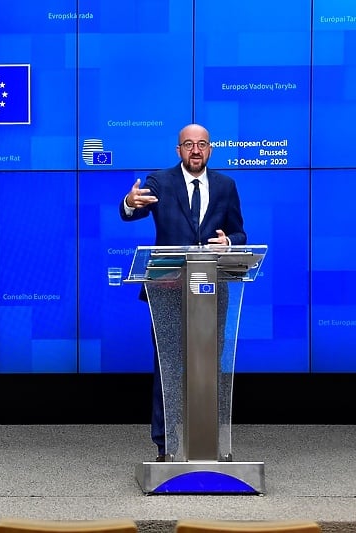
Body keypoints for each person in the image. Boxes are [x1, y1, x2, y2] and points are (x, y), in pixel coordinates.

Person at [119, 123, 246, 461]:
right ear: (178, 150)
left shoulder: (225, 186)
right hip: (168, 291)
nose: (195, 150)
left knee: (208, 366)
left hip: (211, 290)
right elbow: (133, 210)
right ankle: (167, 446)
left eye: (201, 144)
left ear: (210, 149)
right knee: (168, 366)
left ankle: (210, 443)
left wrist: (229, 243)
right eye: (188, 144)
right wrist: (130, 202)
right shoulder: (161, 181)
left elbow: (239, 233)